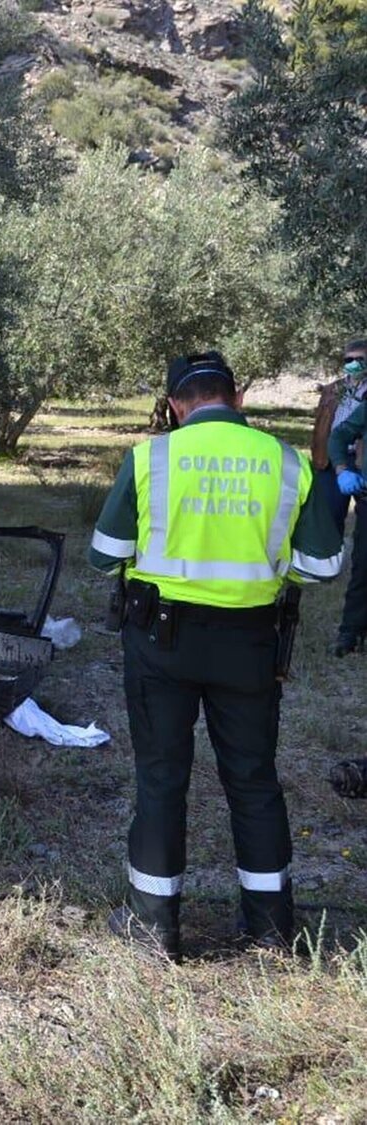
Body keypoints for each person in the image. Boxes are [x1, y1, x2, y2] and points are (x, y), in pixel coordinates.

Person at [89, 351, 343, 959]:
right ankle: (270, 930)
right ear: (237, 400)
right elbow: (322, 564)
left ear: (177, 405)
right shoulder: (282, 462)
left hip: (160, 641)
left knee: (160, 780)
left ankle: (153, 931)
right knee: (254, 781)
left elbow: (105, 552)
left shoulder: (151, 456)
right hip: (250, 646)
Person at [314, 339, 367, 654]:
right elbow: (336, 434)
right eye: (349, 359)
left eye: (358, 359)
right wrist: (343, 469)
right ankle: (351, 632)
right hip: (351, 478)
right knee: (363, 567)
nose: (352, 364)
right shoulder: (337, 391)